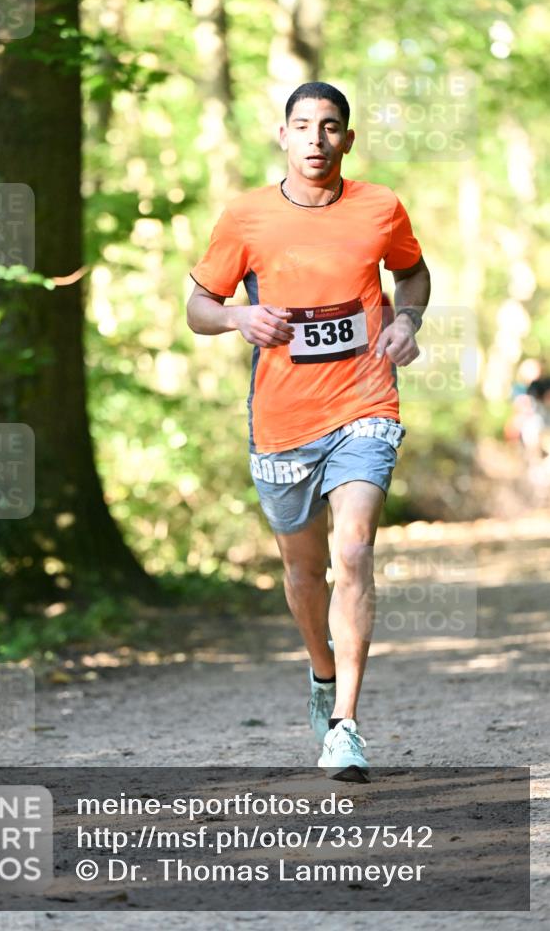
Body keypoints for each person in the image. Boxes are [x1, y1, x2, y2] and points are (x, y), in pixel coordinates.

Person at [186, 81, 431, 781]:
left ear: (346, 140)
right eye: (303, 126)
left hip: (364, 407)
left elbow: (412, 277)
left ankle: (344, 724)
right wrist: (237, 319)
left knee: (352, 548)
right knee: (302, 569)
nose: (316, 140)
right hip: (282, 419)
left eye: (330, 128)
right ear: (284, 136)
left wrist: (406, 321)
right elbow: (198, 305)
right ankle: (320, 672)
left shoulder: (379, 208)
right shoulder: (247, 218)